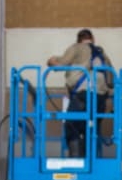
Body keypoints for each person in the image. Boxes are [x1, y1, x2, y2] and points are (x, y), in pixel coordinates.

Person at [47, 28, 113, 158]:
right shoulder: (103, 55)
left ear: (79, 40)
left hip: (84, 95)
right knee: (91, 128)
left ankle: (76, 161)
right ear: (92, 39)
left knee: (72, 126)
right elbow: (111, 80)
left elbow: (60, 64)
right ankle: (90, 161)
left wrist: (50, 61)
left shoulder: (77, 48)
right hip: (101, 98)